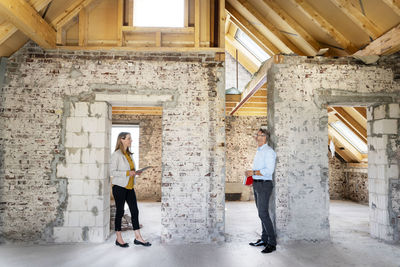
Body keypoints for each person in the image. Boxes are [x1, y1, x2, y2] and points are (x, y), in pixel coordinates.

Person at [111, 132, 151, 248]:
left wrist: (136, 172)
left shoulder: (129, 154)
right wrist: (128, 173)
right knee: (120, 212)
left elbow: (130, 170)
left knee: (135, 211)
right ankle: (119, 238)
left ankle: (138, 237)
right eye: (129, 138)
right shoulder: (116, 155)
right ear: (122, 140)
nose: (131, 140)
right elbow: (112, 172)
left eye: (130, 139)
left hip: (129, 187)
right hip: (119, 187)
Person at [245, 128, 277, 254]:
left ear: (265, 137)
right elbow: (259, 169)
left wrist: (252, 172)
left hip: (265, 185)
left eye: (259, 135)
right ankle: (264, 239)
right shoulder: (259, 151)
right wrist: (251, 175)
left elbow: (269, 171)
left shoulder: (269, 152)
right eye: (256, 135)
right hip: (257, 184)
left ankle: (272, 243)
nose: (256, 137)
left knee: (263, 214)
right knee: (261, 213)